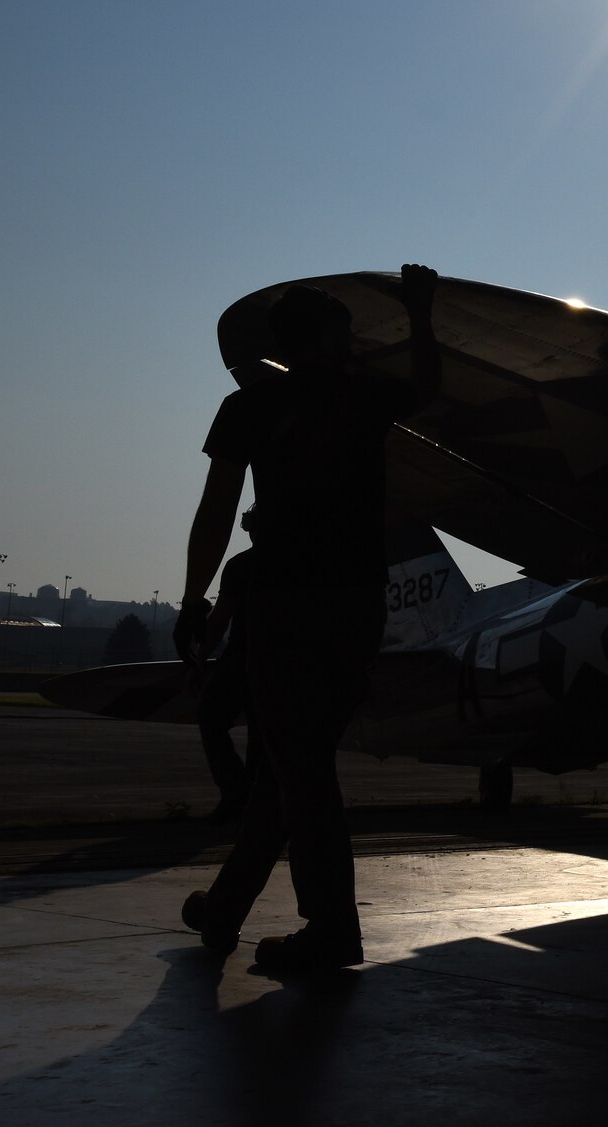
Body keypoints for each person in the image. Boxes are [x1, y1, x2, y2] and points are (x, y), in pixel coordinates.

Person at [174, 264, 440, 972]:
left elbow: (216, 512)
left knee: (299, 771)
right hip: (355, 611)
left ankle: (331, 930)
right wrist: (419, 315)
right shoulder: (366, 398)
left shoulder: (250, 409)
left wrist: (195, 599)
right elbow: (427, 388)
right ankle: (224, 911)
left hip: (285, 611)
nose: (354, 342)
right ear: (324, 336)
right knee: (291, 769)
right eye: (345, 330)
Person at [194, 534, 257, 825]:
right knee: (265, 733)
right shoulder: (303, 563)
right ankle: (260, 802)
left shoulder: (241, 565)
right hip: (288, 660)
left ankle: (237, 794)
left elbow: (219, 620)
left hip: (242, 657)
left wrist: (199, 658)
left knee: (210, 717)